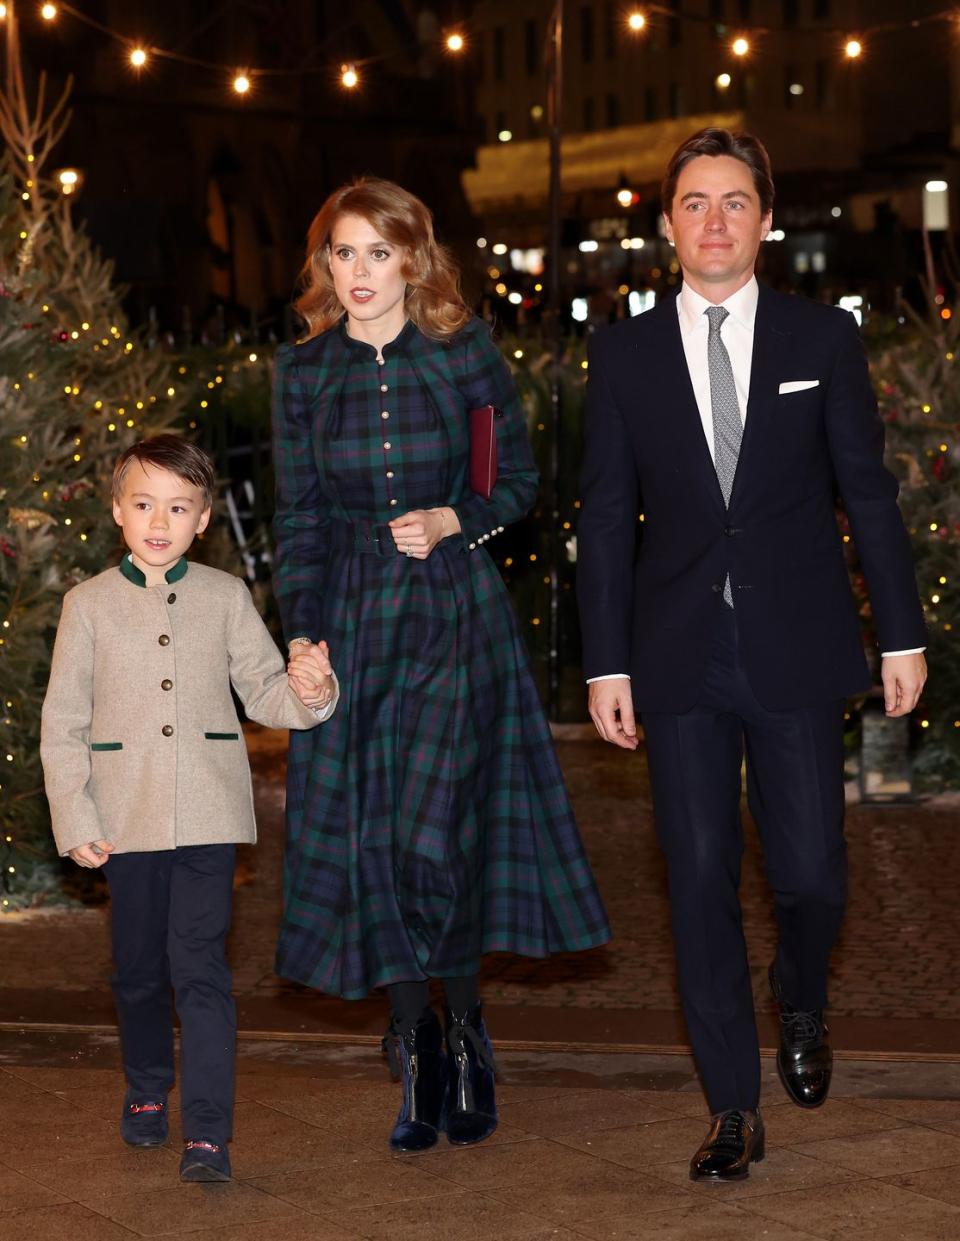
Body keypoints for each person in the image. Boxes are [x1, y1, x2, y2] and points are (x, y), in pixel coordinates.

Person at [578, 129, 927, 1182]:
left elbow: (866, 489)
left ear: (765, 220)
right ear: (668, 223)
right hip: (676, 653)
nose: (716, 219)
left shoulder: (822, 340)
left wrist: (902, 632)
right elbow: (602, 516)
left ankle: (804, 988)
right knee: (695, 880)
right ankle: (733, 1104)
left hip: (798, 642)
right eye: (695, 202)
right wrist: (606, 663)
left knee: (814, 871)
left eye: (736, 201)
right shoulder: (626, 351)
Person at [272, 177, 610, 1153]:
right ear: (324, 264)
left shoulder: (463, 355)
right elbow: (298, 521)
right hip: (353, 621)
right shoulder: (303, 375)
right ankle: (418, 1040)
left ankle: (465, 1030)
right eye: (344, 252)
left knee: (441, 834)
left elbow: (522, 481)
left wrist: (457, 515)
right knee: (377, 838)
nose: (361, 272)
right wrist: (301, 635)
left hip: (455, 613)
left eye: (379, 252)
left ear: (413, 258)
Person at [40, 435, 337, 1183]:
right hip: (125, 815)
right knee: (139, 969)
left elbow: (269, 693)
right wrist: (76, 819)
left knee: (199, 966)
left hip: (209, 812)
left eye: (178, 506)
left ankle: (208, 1132)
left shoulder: (224, 597)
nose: (159, 519)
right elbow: (63, 722)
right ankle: (147, 1087)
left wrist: (313, 689)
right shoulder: (88, 606)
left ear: (203, 518)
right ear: (117, 511)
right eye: (144, 504)